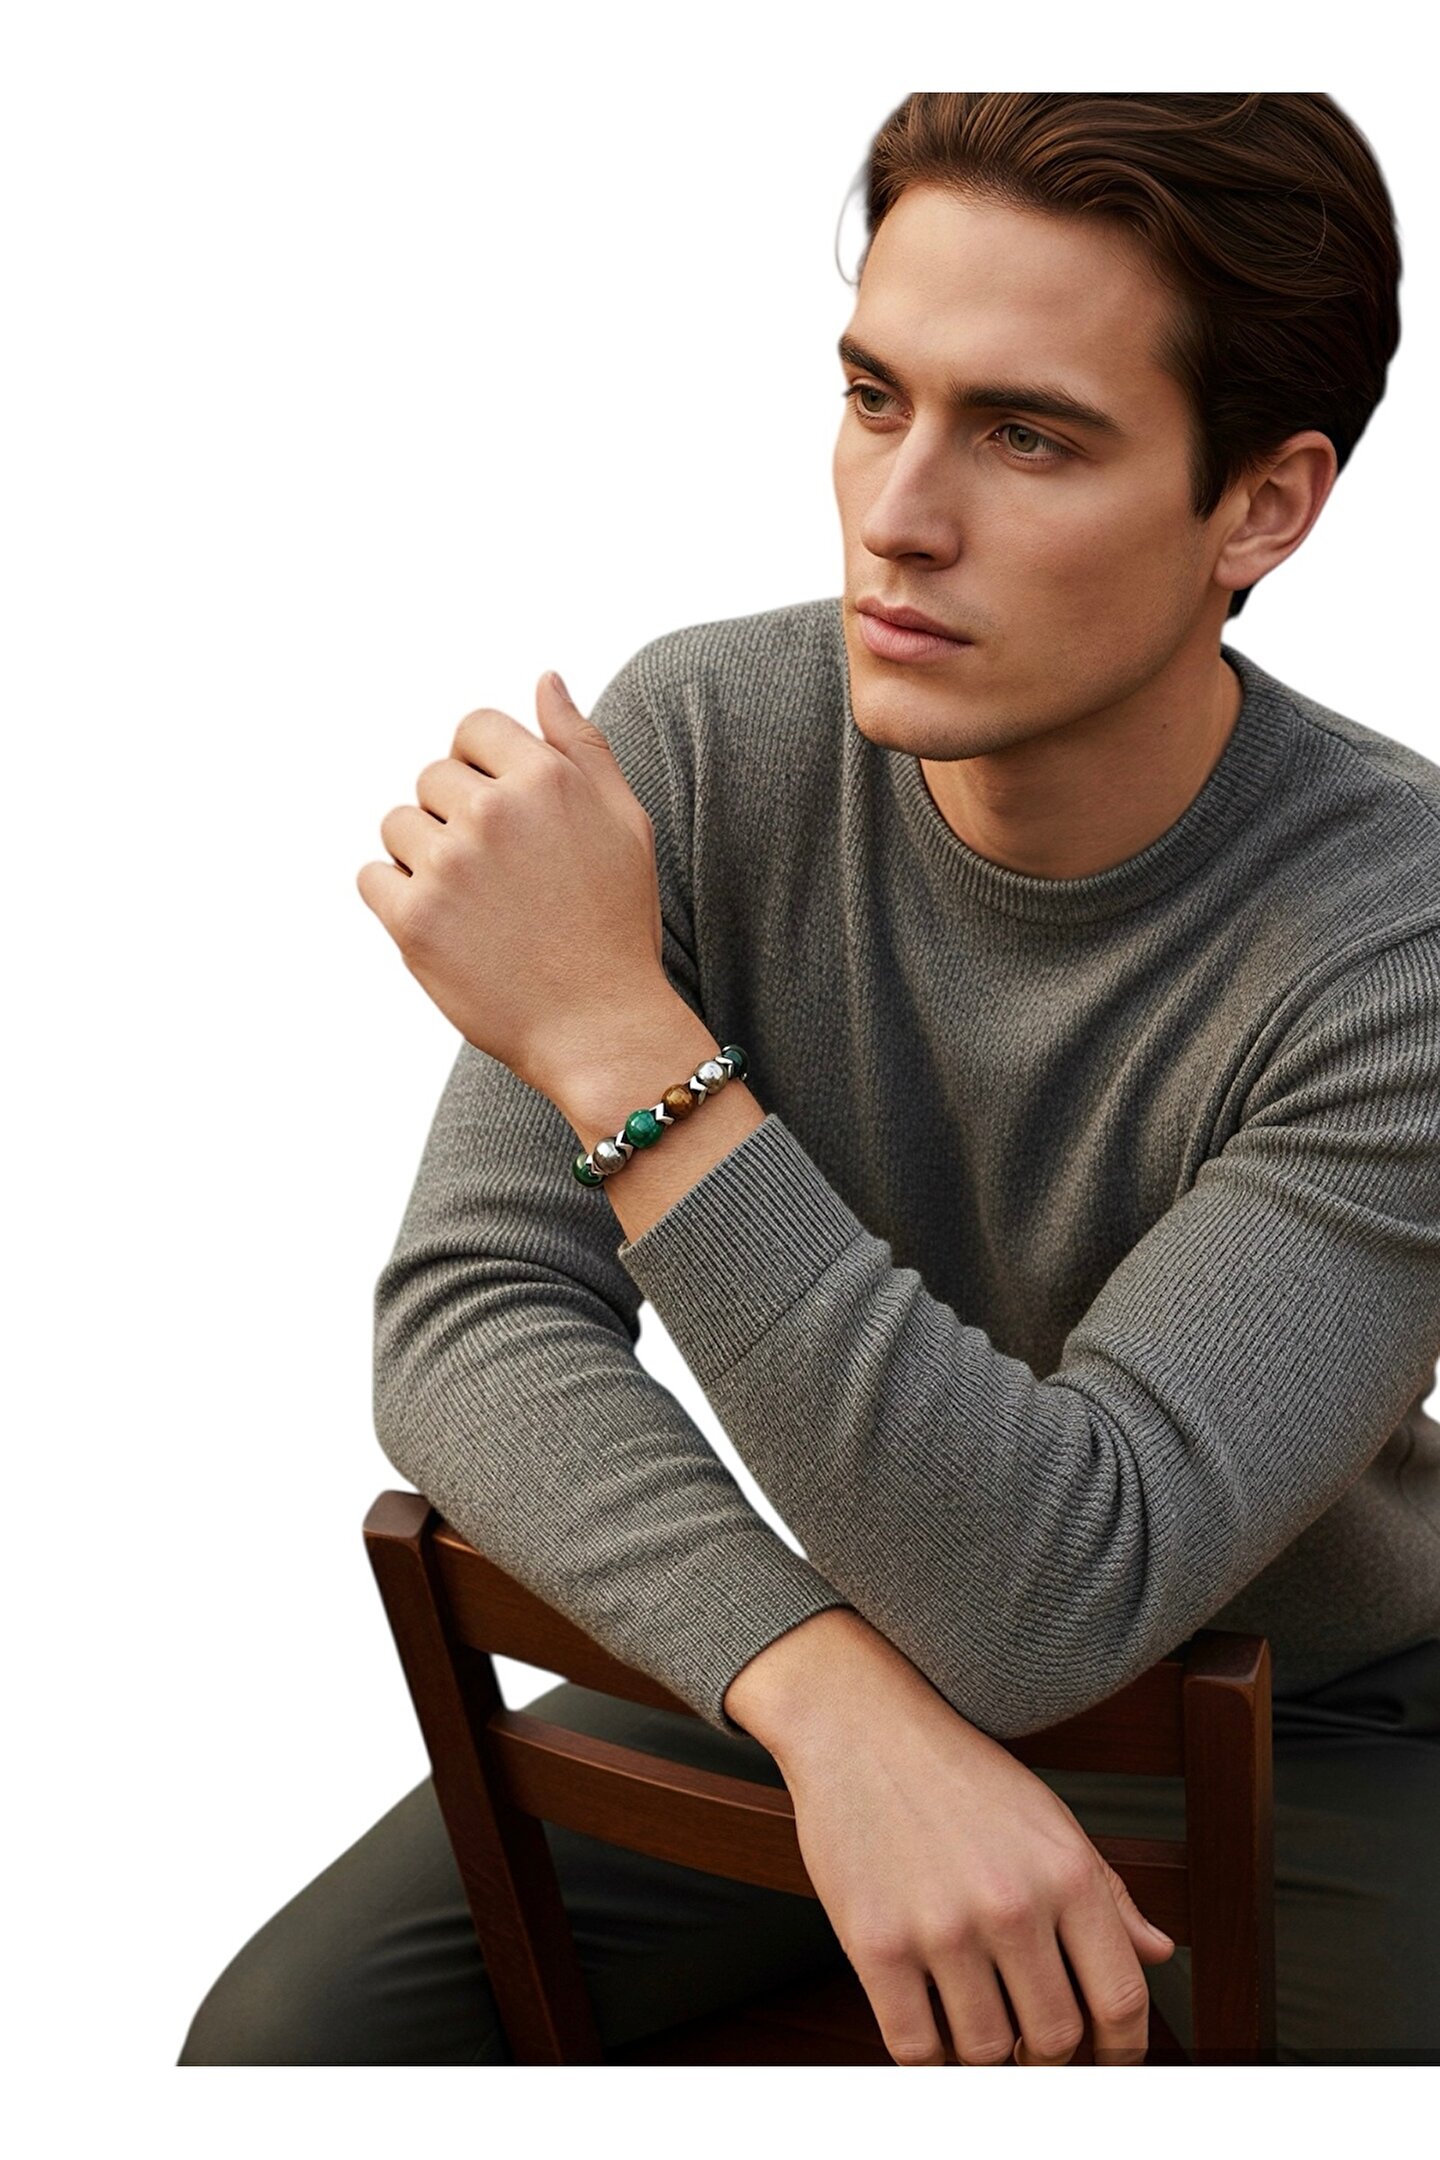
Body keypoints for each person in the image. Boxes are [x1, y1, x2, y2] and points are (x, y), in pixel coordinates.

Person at [178, 92, 1440, 2068]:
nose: (897, 516)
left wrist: (611, 1033)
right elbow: (468, 1322)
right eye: (873, 397)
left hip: (1324, 1721)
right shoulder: (707, 735)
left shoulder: (1404, 942)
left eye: (1028, 435)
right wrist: (824, 1695)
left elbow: (1055, 1583)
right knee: (282, 2055)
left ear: (1262, 509)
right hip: (845, 1643)